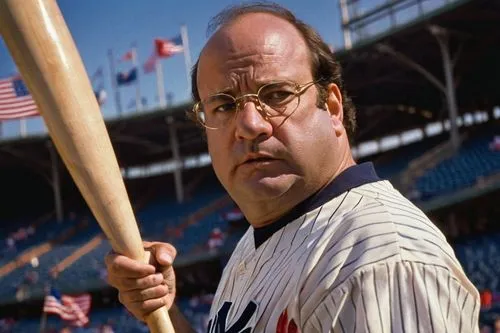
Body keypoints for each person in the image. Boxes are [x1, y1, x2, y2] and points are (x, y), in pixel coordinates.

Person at [105, 3, 480, 332]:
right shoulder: (262, 240)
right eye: (223, 105)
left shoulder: (375, 259)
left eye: (276, 95)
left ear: (331, 107)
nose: (250, 124)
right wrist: (166, 311)